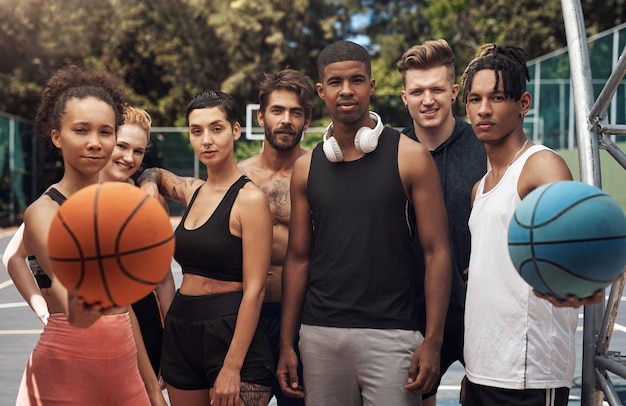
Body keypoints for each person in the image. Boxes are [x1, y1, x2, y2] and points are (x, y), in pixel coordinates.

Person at [276, 40, 452, 405]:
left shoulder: (411, 157)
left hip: (393, 335)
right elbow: (297, 259)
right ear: (321, 90)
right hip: (319, 334)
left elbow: (437, 252)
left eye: (356, 80)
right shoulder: (306, 169)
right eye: (335, 82)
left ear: (371, 86)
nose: (346, 91)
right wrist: (286, 344)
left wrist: (432, 340)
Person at [460, 44, 600, 406]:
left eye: (497, 97)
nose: (483, 109)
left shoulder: (541, 167)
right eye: (474, 99)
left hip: (529, 373)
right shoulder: (481, 187)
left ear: (523, 103)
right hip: (482, 368)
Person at [16, 65, 165, 405]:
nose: (95, 143)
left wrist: (153, 389)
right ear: (57, 136)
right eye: (81, 130)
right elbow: (82, 304)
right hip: (66, 369)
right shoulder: (43, 212)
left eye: (106, 132)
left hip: (125, 365)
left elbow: (123, 309)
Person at [137, 90, 275, 406]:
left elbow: (256, 291)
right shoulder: (194, 191)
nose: (206, 140)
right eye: (197, 131)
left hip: (230, 336)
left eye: (216, 128)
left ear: (236, 130)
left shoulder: (249, 200)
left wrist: (232, 366)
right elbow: (156, 174)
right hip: (181, 331)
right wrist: (147, 183)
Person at [396, 39, 487, 406]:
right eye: (417, 91)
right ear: (404, 98)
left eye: (436, 89)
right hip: (409, 313)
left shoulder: (486, 145)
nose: (427, 99)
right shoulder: (390, 151)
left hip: (479, 312)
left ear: (453, 92)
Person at [238, 68, 315, 406]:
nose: (286, 120)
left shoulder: (319, 173)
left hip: (304, 317)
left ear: (307, 120)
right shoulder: (238, 177)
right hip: (246, 317)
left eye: (295, 112)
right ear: (261, 117)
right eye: (278, 111)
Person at [98, 105, 176, 377]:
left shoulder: (150, 200)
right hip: (94, 331)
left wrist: (172, 343)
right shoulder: (74, 195)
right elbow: (14, 256)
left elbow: (164, 278)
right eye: (122, 146)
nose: (129, 158)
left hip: (145, 327)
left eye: (138, 151)